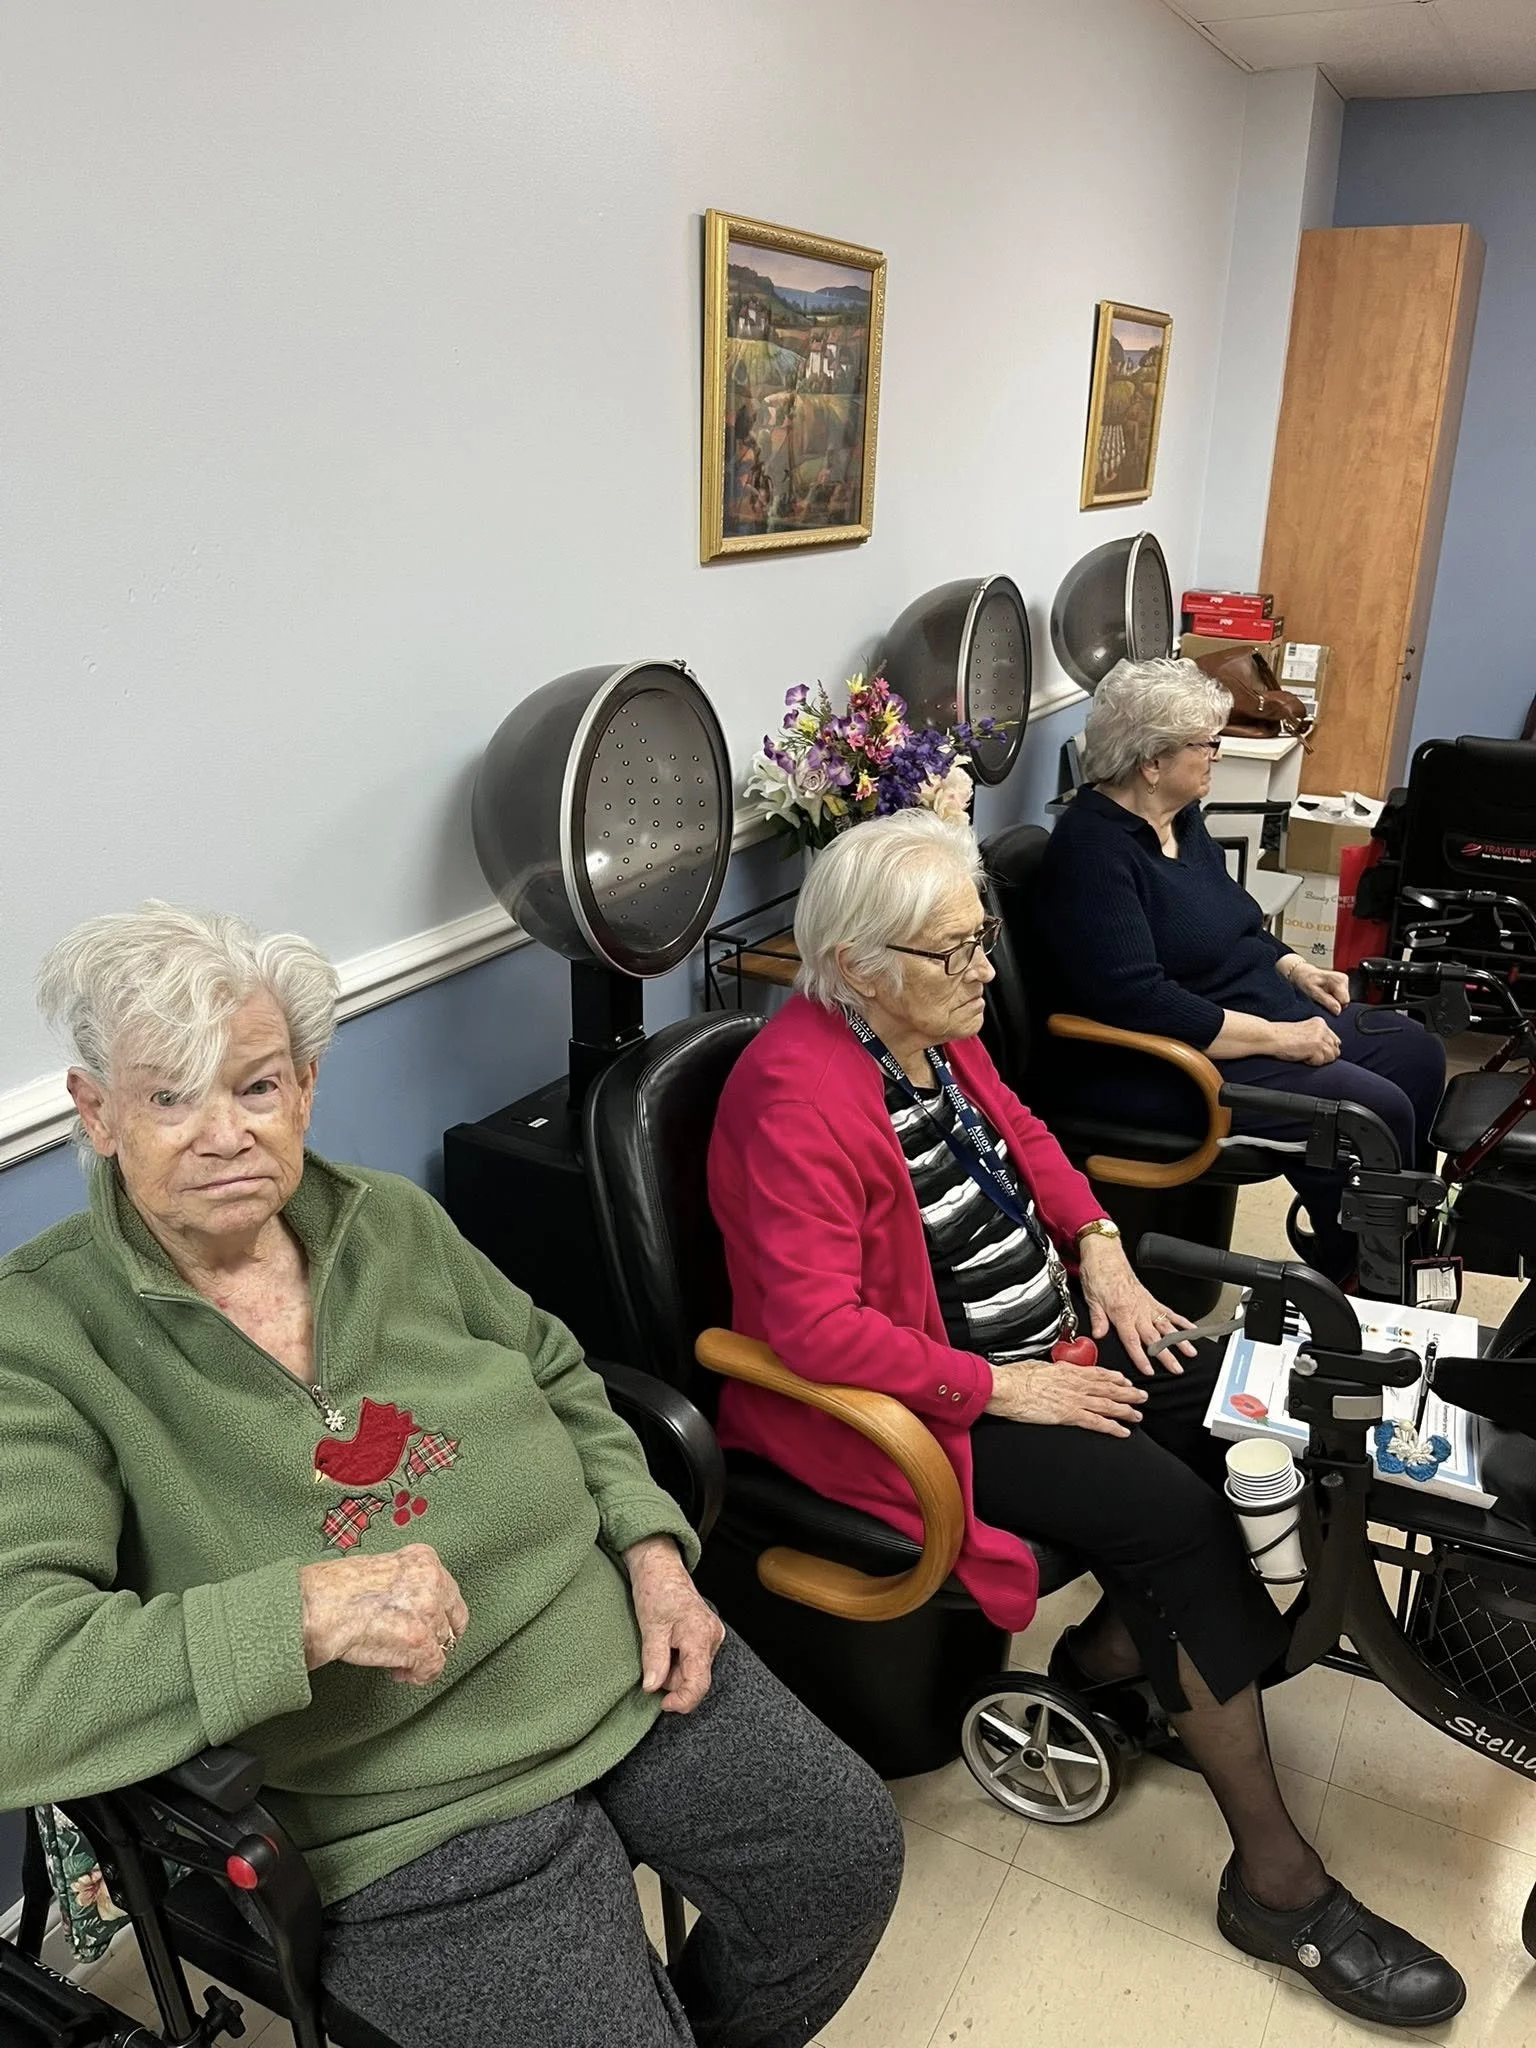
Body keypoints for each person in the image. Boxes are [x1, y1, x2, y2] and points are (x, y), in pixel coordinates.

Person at [0, 905, 903, 2048]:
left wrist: (652, 1547)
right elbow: (17, 1684)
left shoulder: (391, 1223)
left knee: (843, 1856)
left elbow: (559, 1368)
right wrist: (300, 1612)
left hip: (615, 1651)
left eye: (257, 1086)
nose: (224, 1132)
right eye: (170, 1096)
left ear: (307, 1088)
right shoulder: (41, 1336)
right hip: (406, 1793)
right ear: (97, 1113)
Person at [708, 812, 1462, 2030]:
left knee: (1247, 1407)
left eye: (979, 941)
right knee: (1174, 1518)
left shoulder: (923, 1035)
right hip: (926, 1407)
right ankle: (1274, 1883)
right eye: (955, 954)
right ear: (855, 964)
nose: (986, 974)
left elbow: (1032, 1134)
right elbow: (808, 1329)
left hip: (1045, 1343)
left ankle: (1117, 1658)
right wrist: (1002, 1385)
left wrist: (1101, 1247)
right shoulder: (792, 1092)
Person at [1037, 658, 1446, 1280]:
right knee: (1371, 1111)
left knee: (1416, 1051)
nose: (1217, 756)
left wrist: (1290, 968)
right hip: (1167, 1063)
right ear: (1151, 762)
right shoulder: (1093, 853)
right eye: (1207, 744)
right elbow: (1141, 1001)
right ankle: (1363, 1270)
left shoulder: (1178, 818)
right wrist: (1284, 1039)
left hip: (1248, 1015)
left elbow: (1235, 922)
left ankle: (1394, 1245)